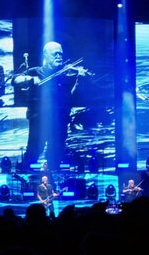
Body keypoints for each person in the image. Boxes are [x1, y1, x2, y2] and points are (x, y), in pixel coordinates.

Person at [12, 41, 91, 171]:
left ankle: (55, 179)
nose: (59, 57)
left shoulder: (66, 74)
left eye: (61, 54)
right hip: (39, 119)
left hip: (60, 119)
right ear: (46, 56)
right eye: (55, 54)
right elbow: (15, 80)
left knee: (57, 152)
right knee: (34, 149)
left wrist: (79, 81)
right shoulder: (36, 71)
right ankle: (28, 177)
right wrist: (31, 79)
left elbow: (71, 96)